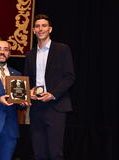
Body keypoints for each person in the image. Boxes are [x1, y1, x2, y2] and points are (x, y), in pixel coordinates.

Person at [24, 14, 75, 160]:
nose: (41, 29)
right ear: (33, 30)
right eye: (37, 26)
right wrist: (30, 91)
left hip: (56, 106)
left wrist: (52, 94)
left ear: (50, 29)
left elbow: (70, 77)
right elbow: (28, 80)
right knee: (39, 153)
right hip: (36, 107)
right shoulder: (30, 54)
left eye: (44, 26)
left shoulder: (62, 49)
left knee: (55, 153)